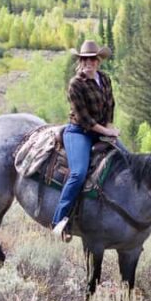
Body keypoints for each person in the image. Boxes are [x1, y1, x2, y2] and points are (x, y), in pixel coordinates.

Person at [51, 40, 120, 241]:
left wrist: (109, 127)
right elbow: (84, 119)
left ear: (98, 61)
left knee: (126, 160)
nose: (89, 63)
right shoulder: (76, 84)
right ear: (80, 61)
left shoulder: (105, 79)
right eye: (84, 59)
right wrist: (107, 132)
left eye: (92, 59)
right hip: (79, 132)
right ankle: (59, 220)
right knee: (78, 173)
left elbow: (110, 106)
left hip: (102, 130)